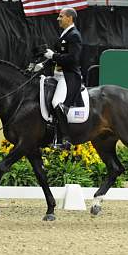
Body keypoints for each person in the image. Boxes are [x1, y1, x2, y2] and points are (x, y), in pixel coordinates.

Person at [37, 8, 83, 150]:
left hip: (67, 76)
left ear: (69, 18)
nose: (58, 19)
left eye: (61, 16)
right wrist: (43, 63)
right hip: (57, 75)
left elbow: (72, 59)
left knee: (57, 102)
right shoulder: (65, 34)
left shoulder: (74, 35)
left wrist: (53, 56)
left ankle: (66, 139)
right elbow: (59, 55)